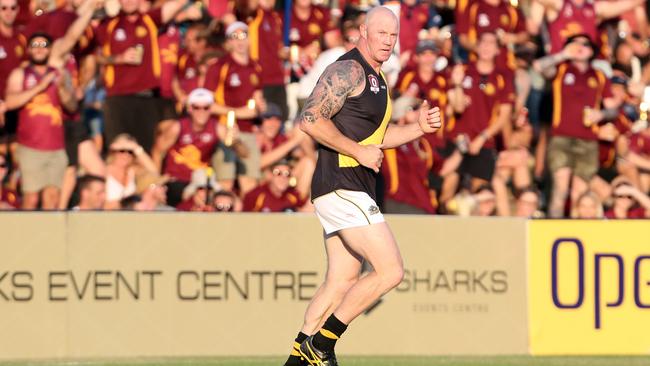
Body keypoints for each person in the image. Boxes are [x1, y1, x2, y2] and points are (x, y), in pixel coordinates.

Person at [283, 6, 441, 366]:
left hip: (349, 185)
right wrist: (357, 151)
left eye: (393, 35)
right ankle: (321, 344)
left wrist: (419, 128)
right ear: (362, 32)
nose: (388, 41)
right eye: (381, 33)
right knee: (391, 271)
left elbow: (378, 137)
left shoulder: (378, 79)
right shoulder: (348, 69)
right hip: (342, 183)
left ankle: (296, 358)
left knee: (341, 280)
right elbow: (309, 118)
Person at [533, 34, 618, 218]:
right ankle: (553, 233)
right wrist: (563, 54)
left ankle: (574, 233)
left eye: (585, 44)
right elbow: (539, 66)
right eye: (574, 43)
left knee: (580, 193)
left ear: (592, 51)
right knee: (560, 188)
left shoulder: (599, 76)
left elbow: (613, 110)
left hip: (588, 140)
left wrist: (601, 114)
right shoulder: (562, 69)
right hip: (561, 137)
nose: (579, 47)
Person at [204, 21, 265, 195]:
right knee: (226, 181)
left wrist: (260, 106)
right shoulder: (219, 66)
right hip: (226, 129)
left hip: (249, 131)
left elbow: (257, 96)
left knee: (250, 181)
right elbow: (206, 104)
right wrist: (237, 112)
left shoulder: (256, 66)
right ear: (228, 42)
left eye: (243, 35)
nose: (240, 41)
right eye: (234, 37)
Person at [104, 133, 158, 209]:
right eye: (122, 150)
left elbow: (154, 172)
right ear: (114, 152)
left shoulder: (132, 171)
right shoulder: (103, 171)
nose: (126, 155)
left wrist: (136, 148)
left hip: (130, 217)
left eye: (130, 152)